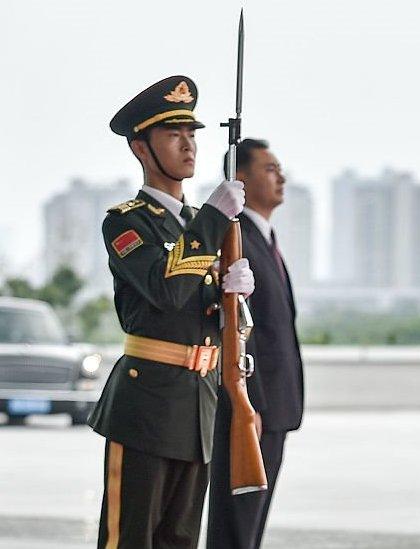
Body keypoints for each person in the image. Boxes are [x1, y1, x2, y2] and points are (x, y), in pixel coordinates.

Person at [89, 75, 254, 548]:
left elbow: (215, 319)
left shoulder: (197, 222)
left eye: (192, 134)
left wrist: (237, 298)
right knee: (130, 539)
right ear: (141, 149)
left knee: (179, 540)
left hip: (197, 406)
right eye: (173, 135)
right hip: (146, 407)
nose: (189, 146)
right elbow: (166, 290)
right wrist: (212, 221)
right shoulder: (127, 222)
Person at [207, 138, 305, 549]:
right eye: (269, 168)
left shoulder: (263, 239)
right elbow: (241, 332)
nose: (279, 176)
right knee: (237, 525)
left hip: (274, 407)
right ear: (240, 178)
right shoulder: (236, 236)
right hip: (253, 407)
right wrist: (254, 405)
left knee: (252, 525)